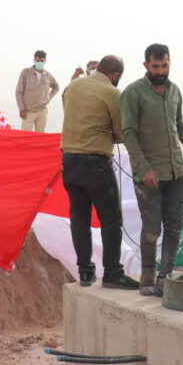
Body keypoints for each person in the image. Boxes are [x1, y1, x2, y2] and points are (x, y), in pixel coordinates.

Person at [121, 43, 183, 294]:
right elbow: (128, 133)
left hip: (176, 172)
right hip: (149, 176)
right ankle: (147, 278)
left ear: (169, 63)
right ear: (146, 65)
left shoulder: (174, 91)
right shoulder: (133, 93)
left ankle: (165, 277)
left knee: (174, 227)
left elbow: (180, 128)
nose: (161, 70)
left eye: (164, 65)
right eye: (155, 66)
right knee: (152, 228)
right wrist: (143, 169)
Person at [60, 55, 138, 290]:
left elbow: (70, 114)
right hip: (95, 163)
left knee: (79, 219)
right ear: (115, 75)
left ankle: (85, 272)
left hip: (68, 161)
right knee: (111, 219)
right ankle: (113, 272)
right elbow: (121, 132)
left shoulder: (72, 86)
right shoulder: (113, 93)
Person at [16, 50, 60, 132]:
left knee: (40, 137)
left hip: (42, 111)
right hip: (28, 112)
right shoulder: (26, 73)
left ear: (45, 61)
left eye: (42, 61)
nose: (39, 62)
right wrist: (21, 109)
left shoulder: (48, 76)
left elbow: (56, 87)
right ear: (34, 60)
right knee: (25, 136)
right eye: (38, 60)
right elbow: (19, 92)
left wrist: (48, 98)